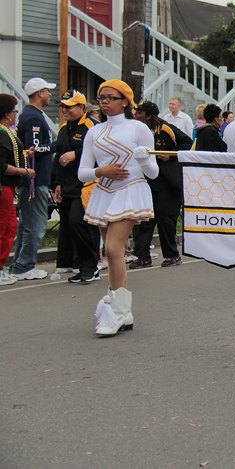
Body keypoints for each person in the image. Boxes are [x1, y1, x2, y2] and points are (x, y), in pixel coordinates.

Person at [78, 79, 159, 337]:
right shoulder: (94, 131)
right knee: (113, 255)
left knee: (113, 249)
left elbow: (154, 173)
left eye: (111, 97)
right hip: (104, 192)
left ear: (125, 101)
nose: (104, 101)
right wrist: (100, 171)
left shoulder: (138, 128)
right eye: (101, 97)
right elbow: (82, 172)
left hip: (131, 190)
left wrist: (144, 160)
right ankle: (122, 314)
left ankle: (115, 312)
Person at [130, 100, 192, 269]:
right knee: (144, 220)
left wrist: (170, 155)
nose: (136, 115)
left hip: (167, 182)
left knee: (165, 219)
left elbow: (187, 142)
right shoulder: (135, 132)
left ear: (149, 116)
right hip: (146, 182)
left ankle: (172, 255)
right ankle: (142, 256)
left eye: (139, 113)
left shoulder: (165, 129)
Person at [9, 78, 57, 280]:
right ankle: (24, 266)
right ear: (39, 93)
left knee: (26, 225)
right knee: (36, 225)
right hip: (35, 181)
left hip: (31, 180)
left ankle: (19, 264)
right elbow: (33, 150)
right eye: (47, 91)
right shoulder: (34, 118)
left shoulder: (30, 115)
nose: (50, 95)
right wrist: (57, 145)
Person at [53, 90, 101, 284]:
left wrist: (77, 153)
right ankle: (82, 267)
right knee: (72, 228)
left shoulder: (92, 126)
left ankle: (91, 266)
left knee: (78, 223)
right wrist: (56, 183)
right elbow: (58, 157)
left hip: (86, 186)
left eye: (70, 106)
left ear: (82, 108)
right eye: (63, 106)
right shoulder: (63, 128)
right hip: (67, 185)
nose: (65, 110)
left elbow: (101, 152)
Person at [0, 95, 35, 285]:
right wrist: (24, 171)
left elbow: (9, 154)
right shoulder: (2, 132)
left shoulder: (7, 131)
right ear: (6, 114)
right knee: (4, 228)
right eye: (14, 110)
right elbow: (2, 165)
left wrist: (24, 154)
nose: (16, 114)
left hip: (9, 187)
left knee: (10, 227)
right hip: (4, 187)